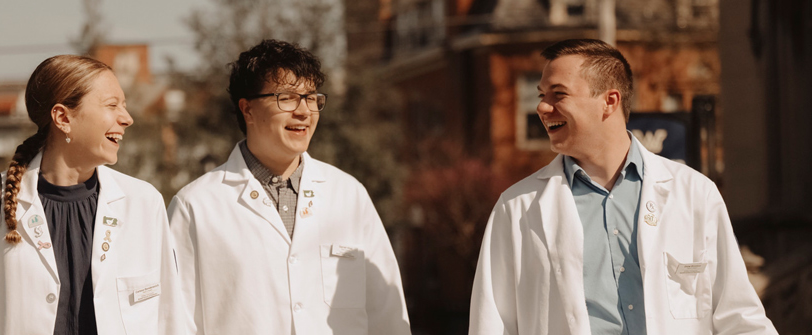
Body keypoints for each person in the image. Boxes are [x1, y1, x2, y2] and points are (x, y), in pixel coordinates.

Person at [468, 39, 778, 335]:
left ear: (609, 101)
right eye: (541, 95)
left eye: (558, 94)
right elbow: (492, 323)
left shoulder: (695, 193)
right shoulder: (518, 208)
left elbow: (738, 316)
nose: (542, 108)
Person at [0, 55, 189, 335]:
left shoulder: (144, 203)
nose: (127, 118)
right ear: (63, 117)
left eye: (124, 105)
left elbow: (170, 320)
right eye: (112, 105)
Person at [167, 39, 412, 335]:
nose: (304, 111)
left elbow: (386, 312)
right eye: (287, 98)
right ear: (248, 110)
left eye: (311, 98)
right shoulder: (196, 205)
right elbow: (176, 321)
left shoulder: (348, 195)